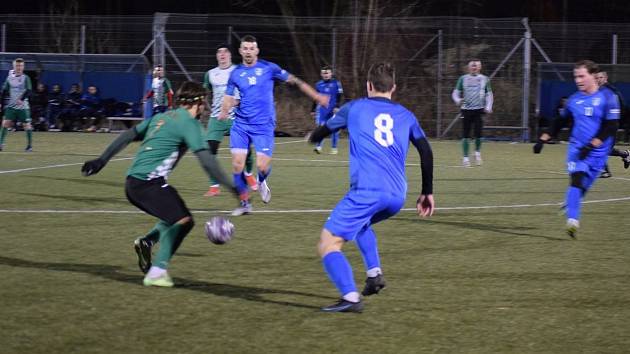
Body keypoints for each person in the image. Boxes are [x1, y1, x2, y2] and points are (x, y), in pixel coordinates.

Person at [81, 81, 240, 287]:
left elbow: (128, 135)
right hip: (148, 184)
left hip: (134, 183)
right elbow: (208, 161)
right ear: (198, 102)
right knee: (183, 220)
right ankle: (157, 271)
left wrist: (101, 160)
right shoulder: (189, 124)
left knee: (173, 214)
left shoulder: (160, 117)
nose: (204, 108)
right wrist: (234, 188)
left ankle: (147, 241)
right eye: (203, 103)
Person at [308, 62, 435, 313]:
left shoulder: (354, 108)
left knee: (327, 243)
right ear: (393, 88)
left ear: (368, 86)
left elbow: (324, 129)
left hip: (367, 192)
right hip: (396, 196)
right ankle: (374, 273)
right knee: (361, 224)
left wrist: (314, 137)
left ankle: (350, 298)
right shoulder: (407, 115)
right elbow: (426, 151)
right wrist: (427, 192)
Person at [218, 35, 329, 214]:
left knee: (262, 166)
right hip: (241, 124)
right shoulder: (236, 73)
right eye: (244, 48)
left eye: (251, 48)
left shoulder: (269, 68)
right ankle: (245, 203)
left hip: (264, 125)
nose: (248, 52)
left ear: (257, 50)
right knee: (237, 165)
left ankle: (261, 181)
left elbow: (296, 81)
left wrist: (317, 97)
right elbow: (229, 96)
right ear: (240, 51)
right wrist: (224, 110)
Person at [534, 60, 620, 238]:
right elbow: (560, 121)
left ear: (593, 76)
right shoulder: (574, 99)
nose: (578, 80)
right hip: (577, 149)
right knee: (577, 180)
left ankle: (570, 204)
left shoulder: (608, 98)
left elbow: (610, 127)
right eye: (575, 76)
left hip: (598, 152)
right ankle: (573, 221)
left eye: (582, 76)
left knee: (582, 189)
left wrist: (592, 145)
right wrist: (543, 139)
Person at [202, 43, 257, 197]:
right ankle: (214, 186)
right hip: (217, 118)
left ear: (230, 55)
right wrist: (207, 108)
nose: (222, 54)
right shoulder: (210, 74)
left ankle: (248, 174)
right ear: (217, 56)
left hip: (237, 117)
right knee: (209, 151)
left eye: (225, 52)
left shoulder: (238, 71)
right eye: (219, 52)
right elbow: (205, 93)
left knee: (246, 150)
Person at [451, 59, 493, 167]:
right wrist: (458, 100)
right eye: (472, 66)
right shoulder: (463, 79)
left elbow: (489, 94)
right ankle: (465, 158)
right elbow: (455, 93)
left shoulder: (485, 79)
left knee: (478, 134)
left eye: (476, 66)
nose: (474, 68)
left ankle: (477, 153)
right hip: (466, 110)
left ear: (479, 67)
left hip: (479, 109)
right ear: (469, 68)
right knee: (466, 134)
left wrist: (488, 106)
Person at [594, 71, 630, 174]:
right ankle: (625, 154)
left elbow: (621, 106)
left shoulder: (610, 91)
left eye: (601, 77)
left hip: (610, 124)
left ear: (605, 78)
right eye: (597, 78)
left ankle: (605, 171)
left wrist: (616, 119)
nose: (598, 79)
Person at [0, 58, 33, 151]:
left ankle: (29, 146)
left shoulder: (26, 78)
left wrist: (21, 99)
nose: (19, 67)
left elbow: (29, 91)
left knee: (27, 125)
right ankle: (1, 144)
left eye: (21, 66)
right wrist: (1, 104)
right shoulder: (9, 78)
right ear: (14, 66)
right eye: (17, 65)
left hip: (23, 107)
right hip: (11, 106)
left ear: (23, 67)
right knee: (5, 123)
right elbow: (4, 91)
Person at [311, 65, 344, 154]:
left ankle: (334, 148)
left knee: (334, 128)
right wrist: (313, 109)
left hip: (333, 110)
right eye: (324, 73)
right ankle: (318, 147)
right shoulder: (318, 84)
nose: (326, 75)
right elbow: (315, 98)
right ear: (321, 74)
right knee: (320, 128)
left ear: (331, 74)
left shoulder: (336, 83)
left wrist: (337, 106)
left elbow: (339, 95)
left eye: (327, 73)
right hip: (322, 111)